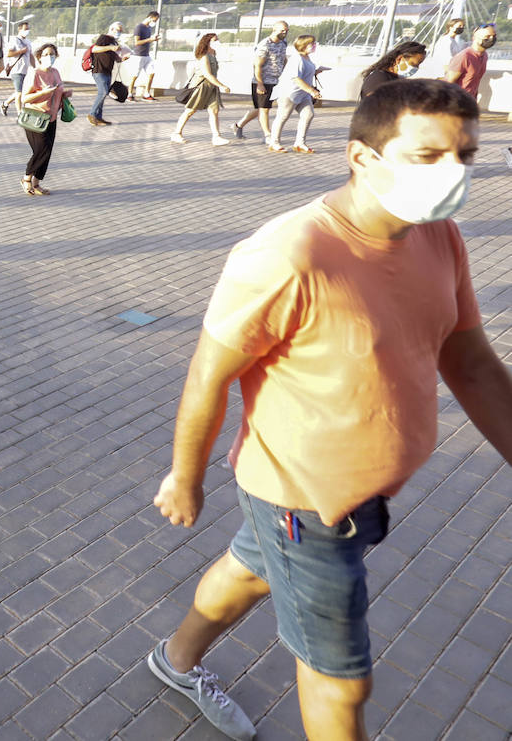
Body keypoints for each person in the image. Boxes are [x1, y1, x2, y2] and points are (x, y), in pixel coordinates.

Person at [148, 79, 510, 741]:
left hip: (360, 495)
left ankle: (175, 660)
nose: (453, 173)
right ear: (362, 158)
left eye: (465, 155)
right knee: (342, 681)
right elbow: (210, 372)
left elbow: (473, 365)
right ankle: (181, 659)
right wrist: (184, 474)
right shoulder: (290, 254)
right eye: (428, 156)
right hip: (306, 503)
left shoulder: (441, 239)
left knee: (249, 573)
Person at [17, 43, 68, 195]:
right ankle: (26, 178)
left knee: (48, 151)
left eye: (52, 54)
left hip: (51, 117)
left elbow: (58, 91)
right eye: (46, 54)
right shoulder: (34, 73)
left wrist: (64, 95)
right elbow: (25, 97)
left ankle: (36, 183)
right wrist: (43, 92)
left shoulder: (56, 72)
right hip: (35, 116)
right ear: (39, 57)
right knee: (41, 149)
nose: (49, 57)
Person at [230, 21, 289, 142]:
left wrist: (285, 73)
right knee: (264, 109)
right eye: (282, 30)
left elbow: (284, 58)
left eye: (286, 30)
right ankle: (268, 135)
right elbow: (257, 65)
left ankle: (238, 126)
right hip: (263, 81)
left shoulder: (283, 43)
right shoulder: (265, 45)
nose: (285, 32)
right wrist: (260, 84)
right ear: (274, 29)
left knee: (261, 108)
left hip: (275, 81)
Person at [170, 34, 233, 146]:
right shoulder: (204, 56)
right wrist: (222, 85)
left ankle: (216, 137)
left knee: (214, 111)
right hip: (201, 86)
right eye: (214, 40)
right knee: (190, 111)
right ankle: (176, 133)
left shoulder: (213, 53)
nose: (217, 42)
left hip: (212, 87)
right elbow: (207, 74)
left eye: (217, 40)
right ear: (207, 42)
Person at [271, 35, 326, 154]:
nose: (314, 46)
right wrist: (312, 91)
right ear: (304, 45)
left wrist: (316, 71)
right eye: (312, 44)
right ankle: (274, 142)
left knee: (308, 114)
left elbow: (305, 74)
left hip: (303, 94)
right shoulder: (297, 59)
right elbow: (296, 78)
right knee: (283, 116)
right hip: (290, 92)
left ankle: (300, 143)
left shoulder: (307, 58)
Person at [87, 23, 126, 126]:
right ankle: (92, 114)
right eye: (118, 30)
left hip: (107, 71)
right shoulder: (104, 38)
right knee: (103, 92)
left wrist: (121, 59)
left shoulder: (113, 42)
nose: (119, 32)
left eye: (121, 30)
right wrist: (110, 47)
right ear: (111, 29)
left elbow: (112, 56)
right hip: (99, 70)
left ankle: (98, 117)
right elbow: (95, 49)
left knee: (103, 94)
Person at [444, 23, 496, 100]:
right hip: (457, 102)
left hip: (470, 101)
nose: (491, 39)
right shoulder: (464, 56)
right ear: (475, 38)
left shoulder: (484, 56)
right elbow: (447, 84)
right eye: (487, 36)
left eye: (494, 36)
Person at [359, 41, 426, 99]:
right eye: (414, 64)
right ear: (399, 59)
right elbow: (377, 104)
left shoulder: (397, 79)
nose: (417, 68)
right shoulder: (378, 78)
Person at [1, 21, 34, 117]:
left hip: (25, 70)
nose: (27, 31)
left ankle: (5, 104)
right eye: (25, 29)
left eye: (28, 29)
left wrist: (35, 67)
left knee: (20, 91)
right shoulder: (14, 40)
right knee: (19, 93)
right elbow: (9, 54)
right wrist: (21, 51)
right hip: (17, 70)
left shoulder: (28, 42)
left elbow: (31, 55)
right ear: (19, 29)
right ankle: (20, 113)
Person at [130, 11, 161, 101]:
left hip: (147, 55)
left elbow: (148, 40)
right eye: (155, 20)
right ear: (150, 17)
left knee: (151, 73)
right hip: (138, 55)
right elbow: (137, 42)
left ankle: (146, 94)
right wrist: (150, 39)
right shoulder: (139, 27)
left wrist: (153, 39)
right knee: (135, 76)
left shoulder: (148, 28)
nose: (155, 22)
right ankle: (129, 94)